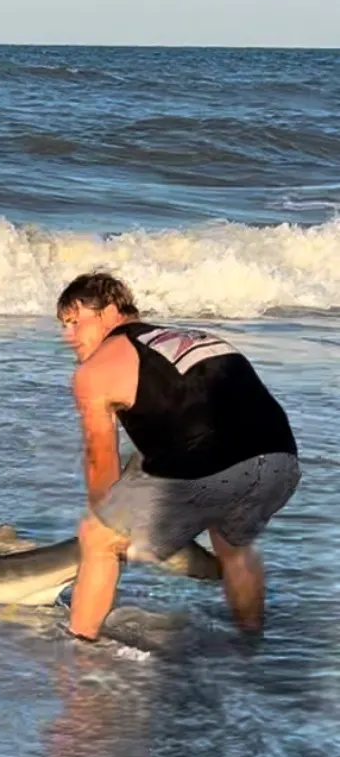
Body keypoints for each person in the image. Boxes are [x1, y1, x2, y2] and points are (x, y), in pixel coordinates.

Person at [56, 272, 299, 641]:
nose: (68, 336)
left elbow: (98, 458)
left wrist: (111, 522)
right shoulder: (197, 338)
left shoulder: (96, 369)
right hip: (281, 460)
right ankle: (252, 644)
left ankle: (79, 652)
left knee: (97, 537)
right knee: (233, 545)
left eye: (75, 322)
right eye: (63, 326)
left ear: (108, 312)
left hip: (212, 461)